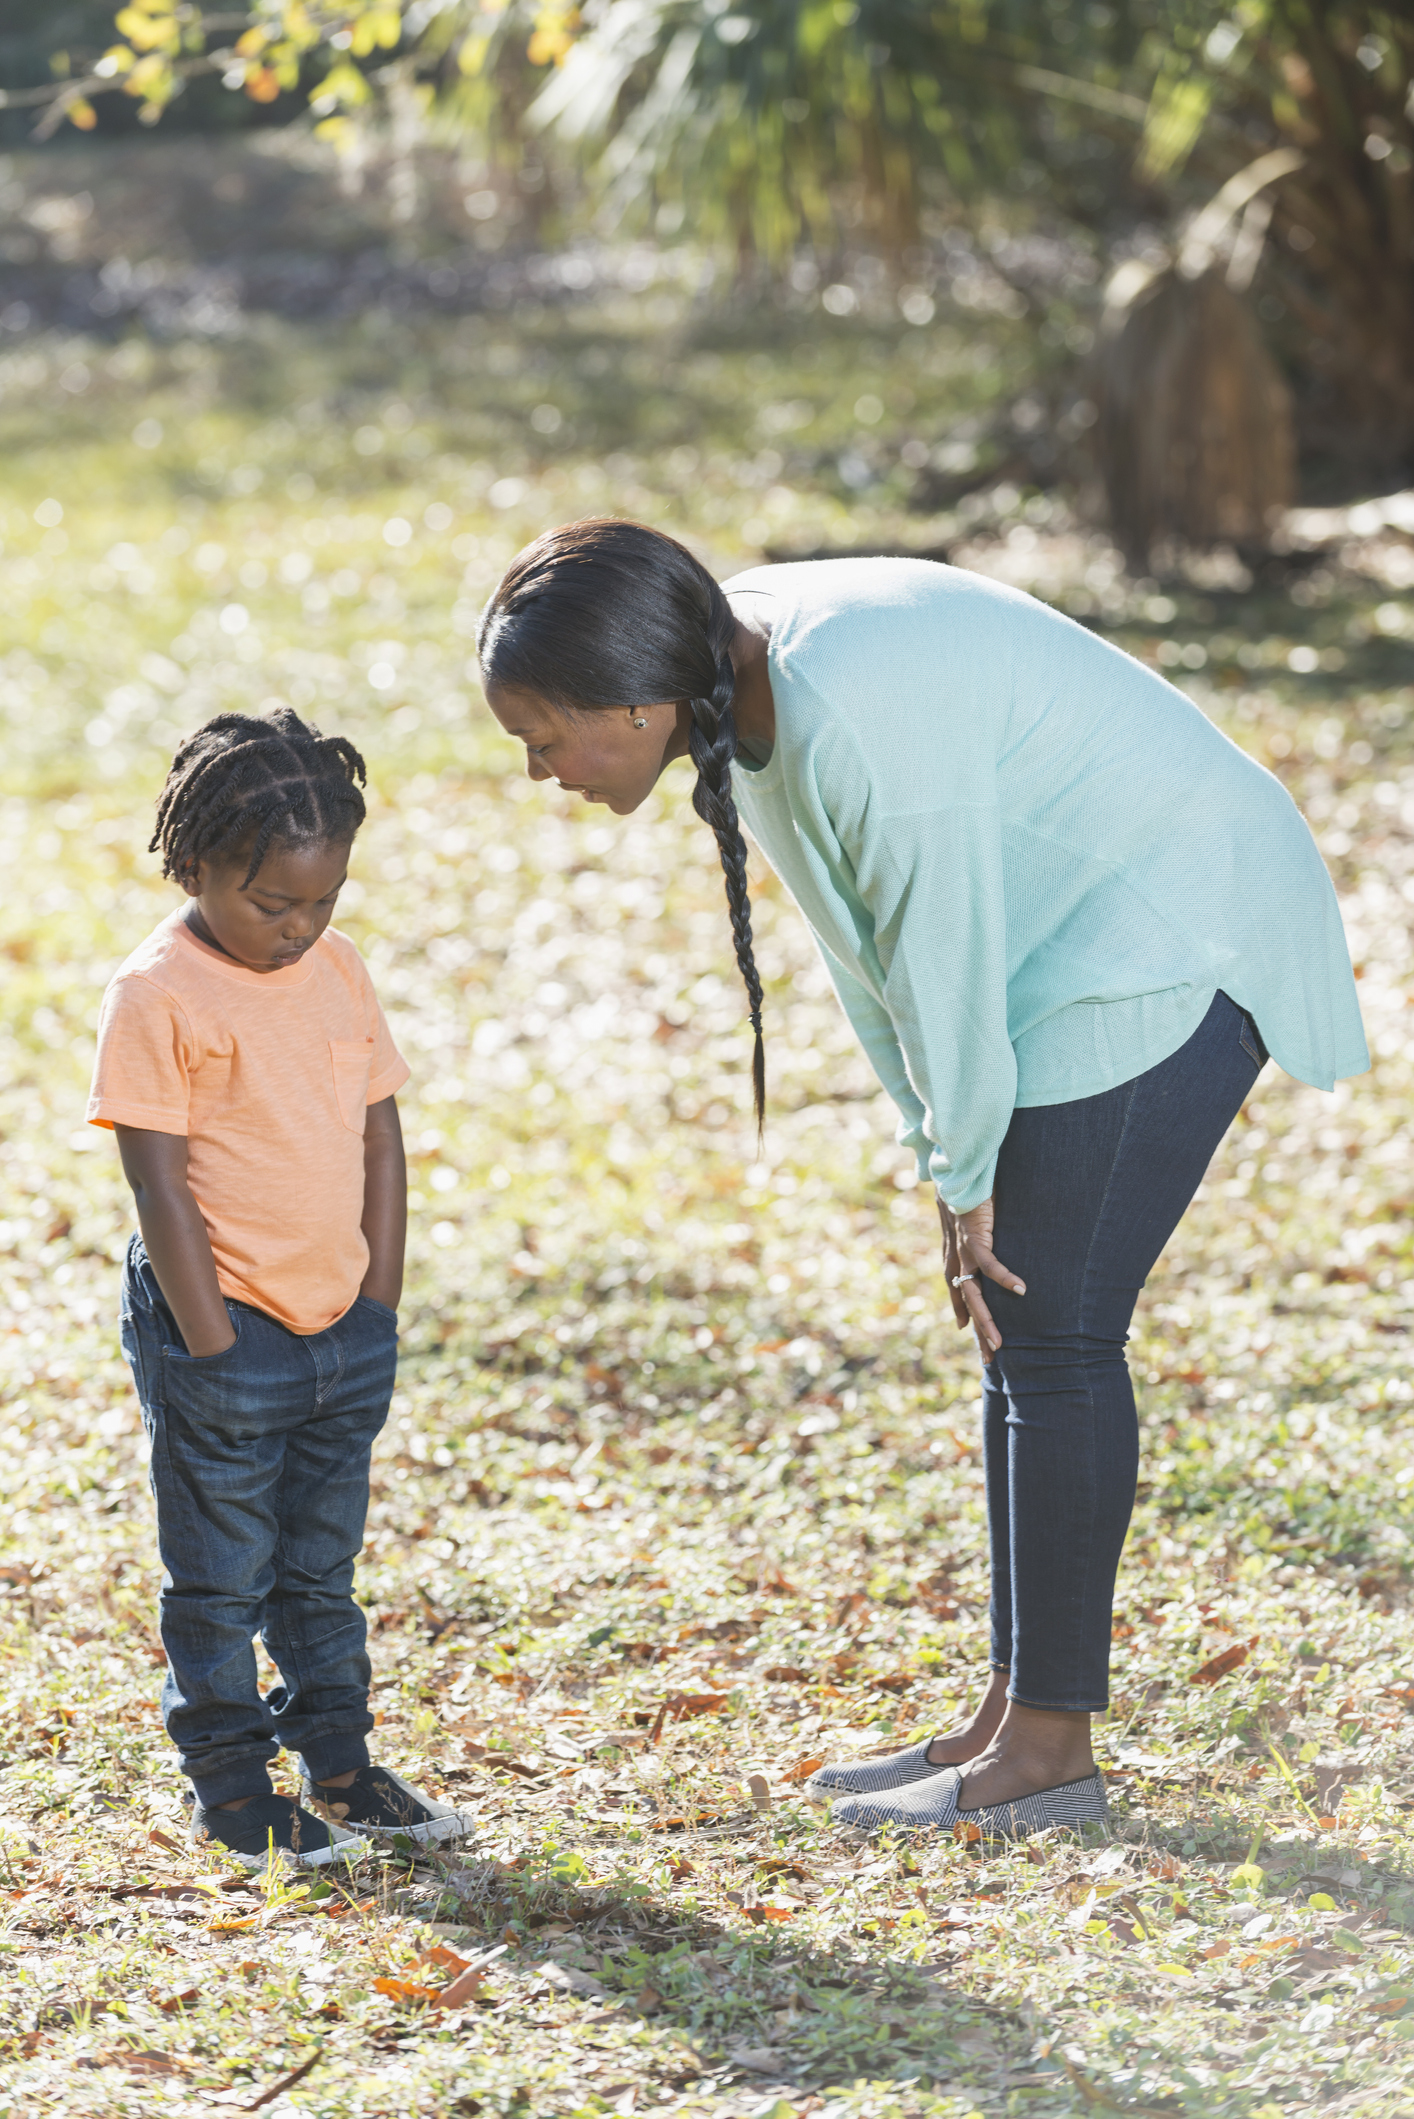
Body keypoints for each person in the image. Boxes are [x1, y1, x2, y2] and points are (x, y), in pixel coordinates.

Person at [476, 520, 1367, 1840]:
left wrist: (963, 1184)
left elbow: (940, 965)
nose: (542, 770)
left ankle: (1050, 1751)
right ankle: (1009, 1716)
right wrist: (942, 1161)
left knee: (1052, 1325)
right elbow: (871, 959)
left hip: (1170, 913)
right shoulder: (738, 678)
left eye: (543, 736)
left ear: (637, 699)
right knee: (1024, 1328)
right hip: (1065, 933)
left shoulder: (845, 715)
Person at [88, 709, 467, 1867]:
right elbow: (156, 1182)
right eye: (272, 904)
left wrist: (379, 1300)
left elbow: (381, 1137)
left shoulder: (335, 969)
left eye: (323, 902)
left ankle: (342, 1767)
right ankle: (234, 1788)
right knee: (218, 1578)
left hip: (341, 1328)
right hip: (226, 1338)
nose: (301, 928)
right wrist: (212, 1342)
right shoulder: (157, 993)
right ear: (194, 863)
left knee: (319, 1566)